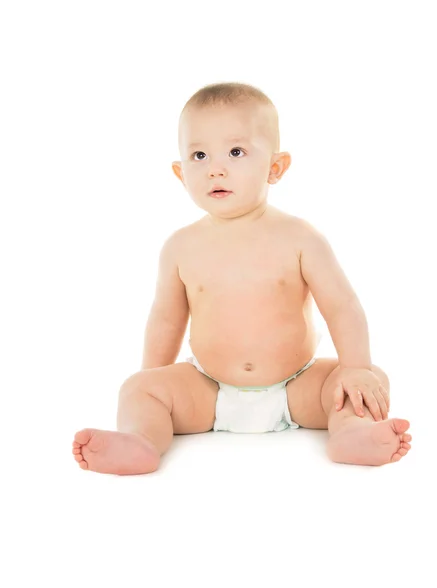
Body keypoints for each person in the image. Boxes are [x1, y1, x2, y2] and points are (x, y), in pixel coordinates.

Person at [72, 82, 412, 475]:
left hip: (298, 386)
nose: (215, 167)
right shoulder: (180, 246)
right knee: (136, 389)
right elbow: (166, 319)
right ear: (181, 173)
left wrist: (355, 366)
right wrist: (155, 377)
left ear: (275, 167)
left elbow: (342, 307)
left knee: (367, 377)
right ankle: (142, 440)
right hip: (209, 390)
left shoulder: (300, 238)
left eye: (236, 152)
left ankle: (351, 432)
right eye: (199, 155)